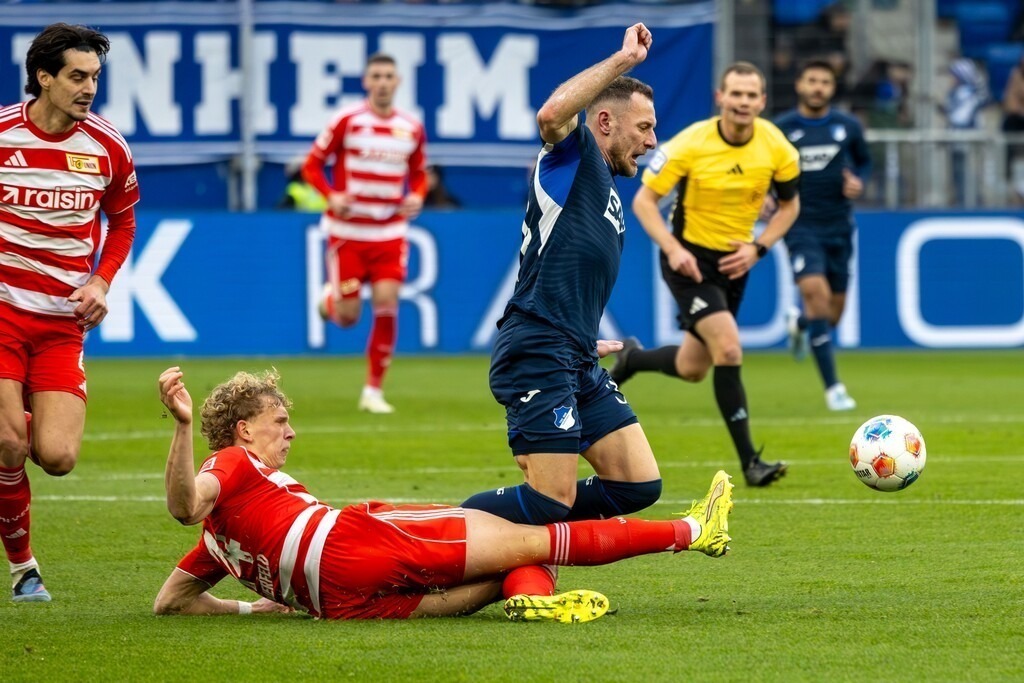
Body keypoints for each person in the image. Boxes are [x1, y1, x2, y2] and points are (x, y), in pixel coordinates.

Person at [153, 366, 734, 622]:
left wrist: (251, 607)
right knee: (533, 537)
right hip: (352, 540)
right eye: (278, 420)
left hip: (336, 606)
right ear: (244, 430)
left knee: (501, 566)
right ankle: (691, 532)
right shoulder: (232, 462)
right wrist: (182, 426)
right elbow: (186, 504)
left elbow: (171, 602)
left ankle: (528, 599)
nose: (290, 431)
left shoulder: (220, 541)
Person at [458, 24, 665, 526]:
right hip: (538, 349)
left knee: (637, 485)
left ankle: (523, 543)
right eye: (644, 128)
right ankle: (446, 528)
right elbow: (551, 114)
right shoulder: (576, 155)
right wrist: (623, 61)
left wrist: (581, 336)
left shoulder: (604, 189)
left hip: (572, 352)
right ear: (604, 121)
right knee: (552, 500)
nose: (652, 141)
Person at [609, 62, 800, 488]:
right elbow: (644, 202)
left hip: (736, 265)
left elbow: (790, 206)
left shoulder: (777, 147)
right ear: (721, 98)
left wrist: (758, 248)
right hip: (690, 263)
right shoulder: (691, 144)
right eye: (736, 94)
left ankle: (633, 358)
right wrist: (674, 250)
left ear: (762, 102)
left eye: (752, 96)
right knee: (729, 349)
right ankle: (751, 462)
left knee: (694, 367)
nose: (743, 103)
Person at [0, 23, 139, 603]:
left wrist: (102, 281)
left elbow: (123, 220)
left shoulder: (107, 146)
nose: (89, 89)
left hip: (61, 326)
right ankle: (24, 569)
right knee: (9, 446)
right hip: (3, 314)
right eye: (78, 77)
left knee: (56, 457)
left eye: (95, 78)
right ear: (44, 77)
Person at [302, 53, 428, 414]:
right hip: (348, 233)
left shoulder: (411, 127)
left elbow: (419, 173)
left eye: (390, 75)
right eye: (377, 76)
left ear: (398, 81)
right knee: (348, 317)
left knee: (388, 305)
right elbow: (312, 165)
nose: (384, 82)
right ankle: (329, 303)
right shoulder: (347, 120)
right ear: (366, 81)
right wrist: (332, 196)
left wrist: (416, 196)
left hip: (389, 232)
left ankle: (373, 390)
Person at [773, 59, 871, 411]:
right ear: (799, 84)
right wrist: (768, 197)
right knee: (816, 296)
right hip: (800, 225)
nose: (818, 87)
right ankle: (834, 389)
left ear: (832, 87)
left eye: (825, 82)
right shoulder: (780, 129)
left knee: (831, 314)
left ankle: (799, 324)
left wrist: (859, 181)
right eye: (812, 80)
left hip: (839, 226)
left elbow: (864, 160)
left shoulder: (848, 126)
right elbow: (764, 167)